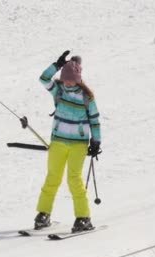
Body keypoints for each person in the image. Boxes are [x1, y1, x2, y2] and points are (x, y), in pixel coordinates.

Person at [34, 50, 102, 232]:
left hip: (78, 145)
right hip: (58, 143)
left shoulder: (87, 98)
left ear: (79, 78)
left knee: (74, 180)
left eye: (72, 79)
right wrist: (56, 66)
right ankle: (43, 214)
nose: (68, 82)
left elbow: (94, 120)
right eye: (66, 78)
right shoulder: (59, 92)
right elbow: (43, 79)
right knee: (52, 178)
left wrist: (96, 142)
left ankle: (83, 217)